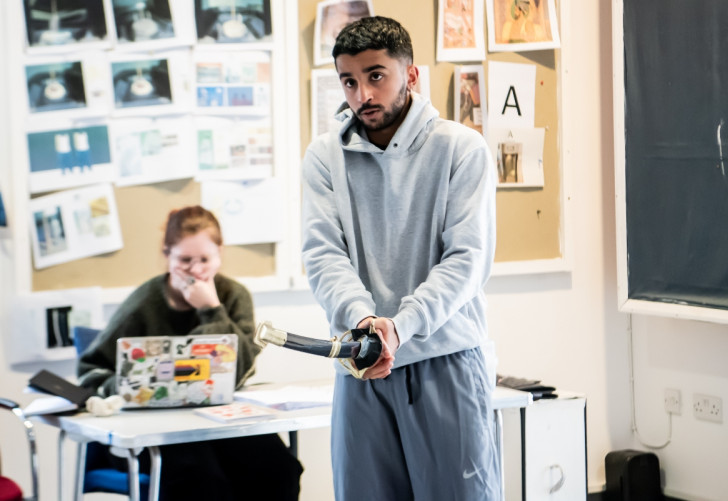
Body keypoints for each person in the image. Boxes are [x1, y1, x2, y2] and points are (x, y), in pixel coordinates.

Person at [300, 16, 500, 501]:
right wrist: (367, 323)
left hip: (445, 362)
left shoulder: (461, 149)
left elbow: (465, 261)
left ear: (410, 75)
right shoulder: (325, 157)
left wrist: (400, 326)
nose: (362, 94)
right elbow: (324, 256)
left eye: (375, 75)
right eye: (349, 80)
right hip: (362, 363)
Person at [77, 205, 303, 501]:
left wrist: (212, 310)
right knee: (202, 481)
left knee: (280, 470)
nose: (196, 271)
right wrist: (127, 388)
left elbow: (240, 370)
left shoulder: (234, 295)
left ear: (220, 253)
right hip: (159, 426)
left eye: (205, 260)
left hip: (219, 419)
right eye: (185, 260)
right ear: (167, 254)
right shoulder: (143, 304)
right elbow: (90, 369)